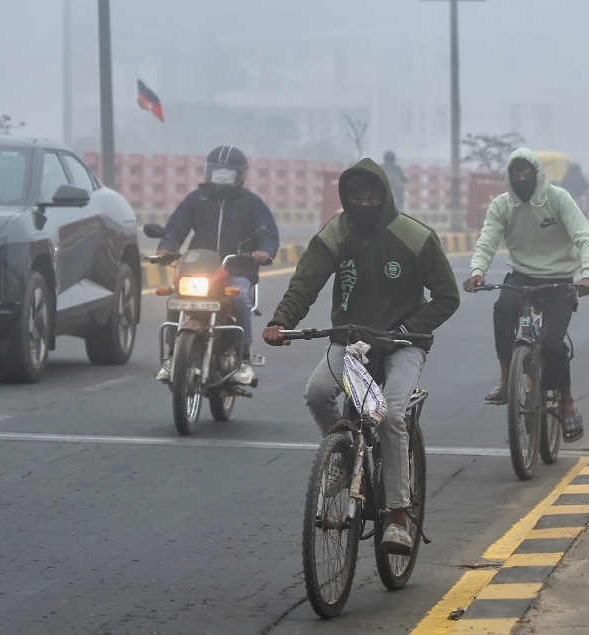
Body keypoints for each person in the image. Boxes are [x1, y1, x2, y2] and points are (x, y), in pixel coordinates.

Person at [262, 158, 459, 554]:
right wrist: (282, 320)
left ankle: (399, 514)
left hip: (403, 344)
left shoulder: (413, 236)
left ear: (384, 195)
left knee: (390, 415)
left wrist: (408, 329)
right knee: (317, 393)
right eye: (356, 197)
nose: (364, 203)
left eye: (372, 196)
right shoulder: (336, 234)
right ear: (346, 198)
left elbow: (447, 297)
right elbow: (306, 282)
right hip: (350, 342)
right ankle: (342, 456)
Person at [462, 147, 589, 443]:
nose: (522, 179)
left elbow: (584, 236)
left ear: (536, 174)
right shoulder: (502, 205)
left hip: (559, 279)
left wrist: (587, 274)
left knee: (552, 344)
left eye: (527, 174)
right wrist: (477, 270)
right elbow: (487, 240)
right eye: (516, 174)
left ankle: (568, 402)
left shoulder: (558, 198)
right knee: (503, 309)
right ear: (510, 177)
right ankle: (505, 379)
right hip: (522, 274)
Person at [155, 145, 279, 385]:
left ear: (239, 174)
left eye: (227, 173)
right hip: (200, 268)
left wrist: (265, 251)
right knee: (176, 298)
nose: (221, 177)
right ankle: (172, 356)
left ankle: (243, 360)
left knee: (241, 298)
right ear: (208, 171)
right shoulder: (197, 199)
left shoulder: (251, 203)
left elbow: (267, 232)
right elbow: (176, 227)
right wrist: (166, 246)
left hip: (236, 268)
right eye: (217, 172)